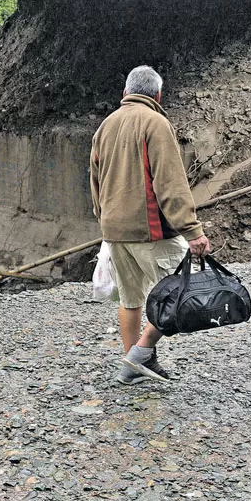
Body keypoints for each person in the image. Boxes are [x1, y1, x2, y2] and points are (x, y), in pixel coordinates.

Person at [90, 66, 210, 384]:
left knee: (130, 299)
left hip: (113, 231)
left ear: (125, 93)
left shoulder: (105, 126)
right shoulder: (156, 123)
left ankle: (134, 368)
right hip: (150, 231)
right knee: (185, 290)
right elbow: (170, 183)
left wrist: (104, 220)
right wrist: (192, 230)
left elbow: (95, 181)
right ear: (157, 95)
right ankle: (140, 355)